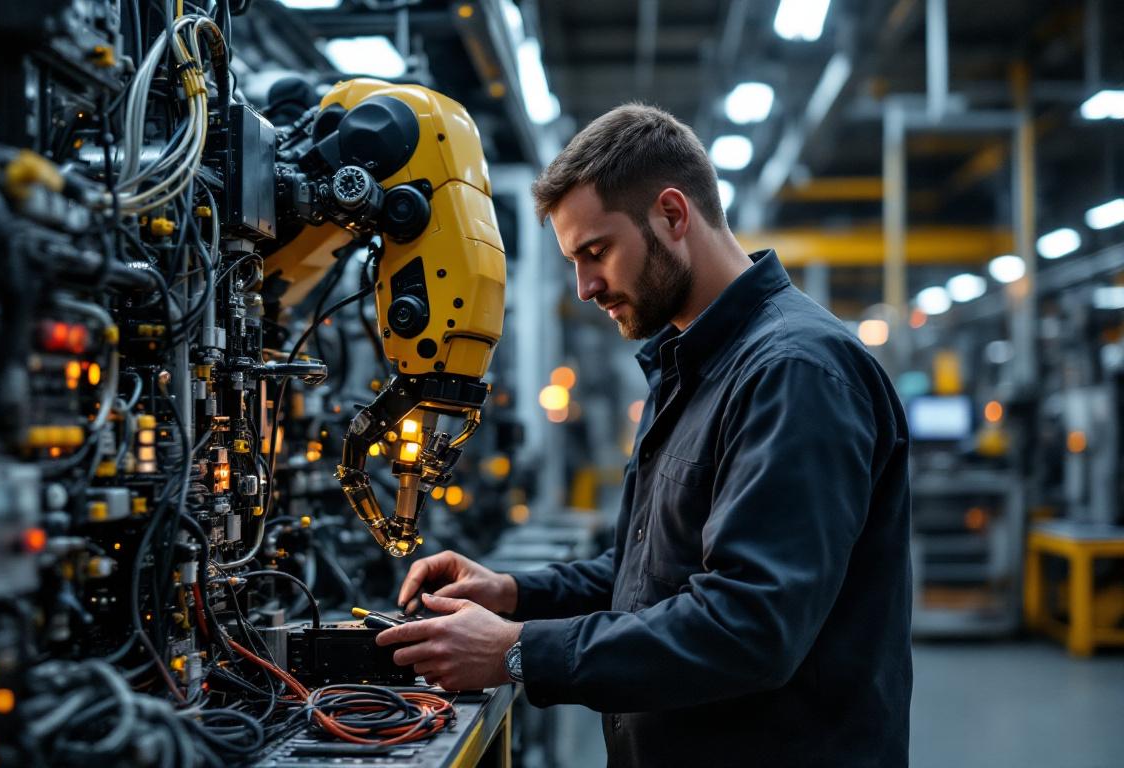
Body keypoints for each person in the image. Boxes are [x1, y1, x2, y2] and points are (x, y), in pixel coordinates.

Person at [375, 103, 912, 767]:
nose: (584, 286)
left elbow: (748, 627)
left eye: (596, 252)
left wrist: (516, 651)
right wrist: (513, 594)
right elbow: (650, 577)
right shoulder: (689, 365)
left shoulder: (795, 372)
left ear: (672, 215)